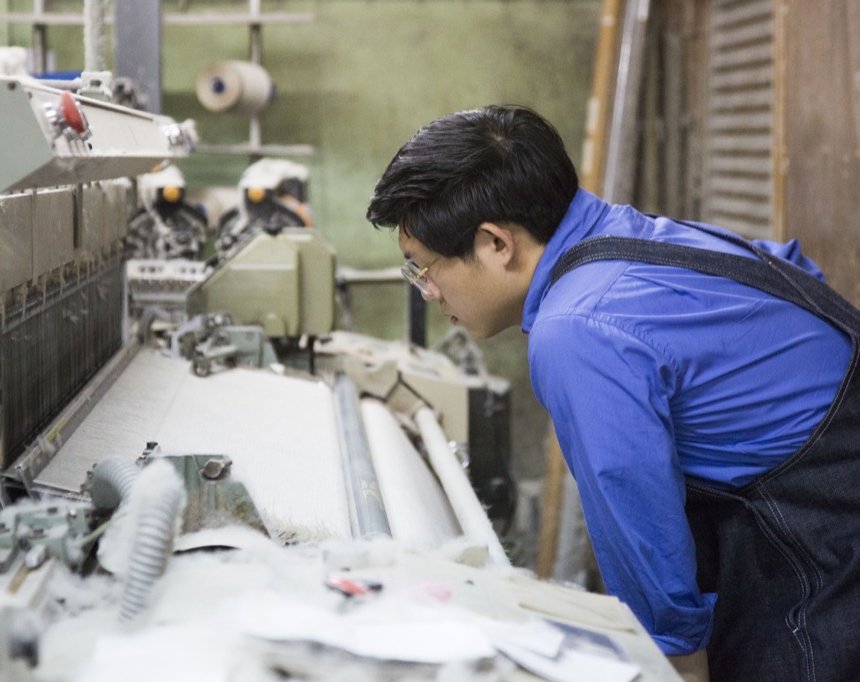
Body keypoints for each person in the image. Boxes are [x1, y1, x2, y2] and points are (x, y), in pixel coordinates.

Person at [365, 105, 860, 682]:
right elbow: (795, 269)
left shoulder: (575, 329)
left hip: (817, 537)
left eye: (422, 269)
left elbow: (634, 510)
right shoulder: (629, 234)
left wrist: (674, 658)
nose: (427, 293)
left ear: (496, 243)